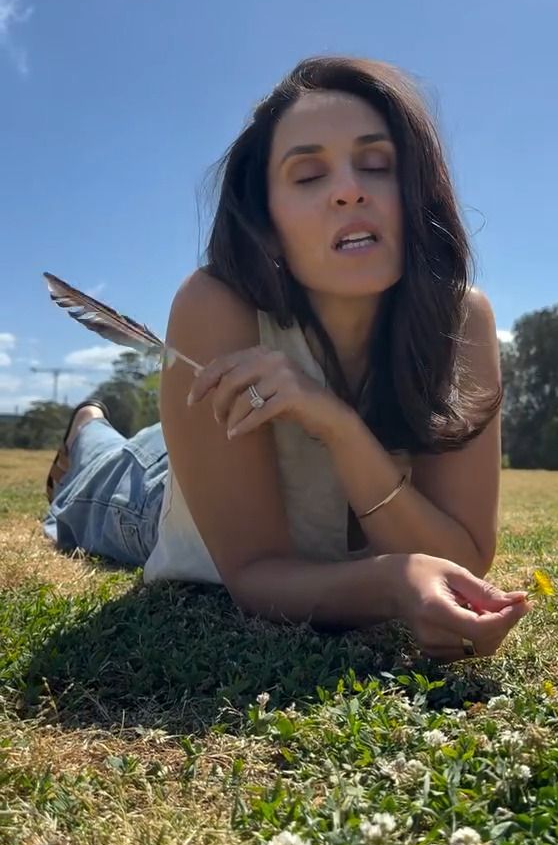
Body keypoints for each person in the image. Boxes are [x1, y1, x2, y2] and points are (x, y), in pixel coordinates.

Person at [43, 56, 531, 661]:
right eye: (308, 176)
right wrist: (393, 584)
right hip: (155, 494)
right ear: (268, 223)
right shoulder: (216, 306)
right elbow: (253, 573)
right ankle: (87, 430)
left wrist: (340, 428)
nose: (349, 189)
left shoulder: (461, 319)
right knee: (96, 482)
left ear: (416, 193)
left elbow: (460, 558)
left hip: (199, 444)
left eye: (376, 165)